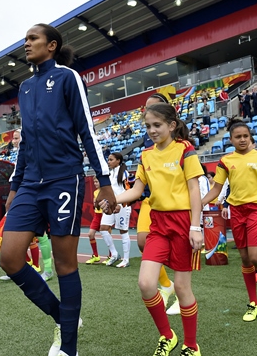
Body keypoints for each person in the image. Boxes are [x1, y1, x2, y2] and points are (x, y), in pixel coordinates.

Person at [0, 24, 116, 356]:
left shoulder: (68, 77)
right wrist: (14, 185)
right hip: (30, 184)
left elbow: (86, 130)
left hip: (65, 179)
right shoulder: (24, 88)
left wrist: (104, 181)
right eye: (25, 39)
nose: (26, 44)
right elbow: (25, 143)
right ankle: (65, 318)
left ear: (51, 45)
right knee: (9, 258)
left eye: (32, 39)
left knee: (65, 264)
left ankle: (68, 347)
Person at [100, 102, 203, 356]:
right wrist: (113, 201)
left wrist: (196, 226)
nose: (152, 130)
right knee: (146, 283)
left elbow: (193, 191)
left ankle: (191, 345)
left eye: (157, 125)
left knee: (182, 288)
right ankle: (167, 336)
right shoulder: (146, 155)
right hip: (158, 224)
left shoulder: (186, 150)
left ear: (172, 125)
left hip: (183, 223)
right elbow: (136, 191)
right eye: (148, 126)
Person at [202, 118, 257, 322]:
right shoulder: (226, 161)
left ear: (250, 137)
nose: (243, 139)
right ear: (231, 139)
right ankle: (253, 303)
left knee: (256, 256)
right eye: (238, 137)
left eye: (246, 136)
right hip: (236, 211)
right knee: (245, 259)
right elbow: (216, 189)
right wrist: (199, 202)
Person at [137, 92, 178, 314]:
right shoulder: (147, 141)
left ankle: (181, 290)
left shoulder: (181, 143)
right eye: (146, 109)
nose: (151, 127)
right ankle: (166, 285)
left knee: (178, 255)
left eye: (153, 108)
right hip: (149, 200)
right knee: (143, 243)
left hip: (176, 208)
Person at [99, 152, 132, 268]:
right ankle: (114, 254)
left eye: (111, 160)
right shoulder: (109, 173)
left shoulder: (124, 173)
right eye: (108, 160)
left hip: (122, 206)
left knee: (123, 231)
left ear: (118, 161)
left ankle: (126, 259)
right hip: (111, 205)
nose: (109, 162)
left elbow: (129, 190)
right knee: (103, 228)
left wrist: (121, 204)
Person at [85, 177, 103, 264]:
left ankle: (112, 256)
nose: (95, 184)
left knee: (107, 236)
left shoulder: (106, 191)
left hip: (105, 215)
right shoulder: (95, 192)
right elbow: (95, 205)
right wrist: (95, 203)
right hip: (97, 215)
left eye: (97, 181)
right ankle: (96, 256)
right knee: (90, 234)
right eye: (94, 182)